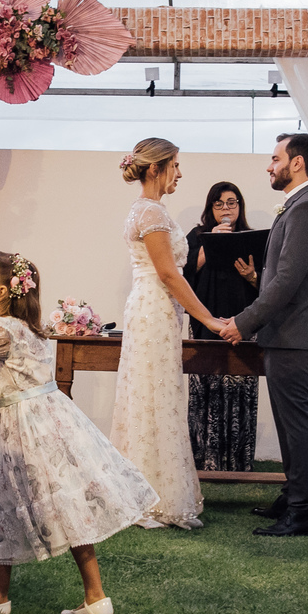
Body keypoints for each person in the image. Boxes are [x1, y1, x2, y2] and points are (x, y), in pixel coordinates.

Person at [0, 252, 157, 614]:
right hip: (51, 420)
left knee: (4, 503)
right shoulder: (19, 327)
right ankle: (92, 596)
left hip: (25, 428)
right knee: (58, 501)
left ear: (1, 292)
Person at [220, 133, 308, 537]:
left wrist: (243, 321)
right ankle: (293, 495)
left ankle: (304, 511)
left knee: (298, 422)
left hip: (293, 331)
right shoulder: (301, 205)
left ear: (297, 163)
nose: (269, 166)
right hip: (285, 331)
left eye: (275, 158)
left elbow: (287, 281)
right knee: (290, 422)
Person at [110, 138, 224, 529]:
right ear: (156, 168)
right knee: (151, 395)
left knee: (157, 395)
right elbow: (168, 273)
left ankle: (156, 495)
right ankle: (146, 501)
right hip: (154, 308)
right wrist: (208, 319)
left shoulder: (148, 210)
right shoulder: (150, 212)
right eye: (175, 164)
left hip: (157, 310)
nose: (180, 172)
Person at [183, 182, 260, 471]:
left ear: (240, 206)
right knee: (206, 385)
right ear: (210, 208)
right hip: (206, 323)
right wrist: (209, 244)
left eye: (231, 202)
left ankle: (238, 461)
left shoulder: (251, 238)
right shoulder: (197, 236)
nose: (226, 209)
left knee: (240, 387)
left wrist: (253, 276)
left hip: (242, 324)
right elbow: (183, 275)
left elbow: (265, 286)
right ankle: (204, 457)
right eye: (219, 204)